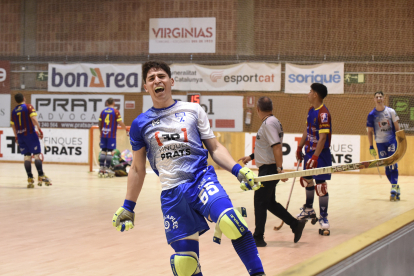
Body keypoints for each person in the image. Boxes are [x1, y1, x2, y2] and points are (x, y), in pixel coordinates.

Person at [112, 61, 266, 276]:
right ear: (145, 87)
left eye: (162, 76)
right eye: (151, 78)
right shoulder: (140, 124)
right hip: (172, 194)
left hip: (200, 181)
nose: (157, 80)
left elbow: (215, 147)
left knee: (231, 222)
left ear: (171, 81)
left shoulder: (193, 110)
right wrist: (128, 206)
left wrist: (237, 169)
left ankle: (258, 273)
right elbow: (137, 169)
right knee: (185, 264)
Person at [238, 96, 307, 247]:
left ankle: (258, 237)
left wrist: (279, 169)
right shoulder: (272, 121)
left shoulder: (268, 124)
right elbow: (268, 147)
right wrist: (251, 156)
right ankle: (295, 224)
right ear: (272, 108)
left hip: (269, 169)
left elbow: (276, 147)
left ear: (257, 110)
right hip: (269, 168)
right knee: (269, 202)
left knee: (260, 201)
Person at [295, 83, 332, 236]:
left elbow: (323, 138)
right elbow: (307, 129)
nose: (308, 94)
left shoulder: (323, 113)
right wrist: (299, 146)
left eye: (310, 91)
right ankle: (309, 209)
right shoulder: (311, 110)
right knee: (307, 180)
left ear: (316, 94)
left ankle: (323, 217)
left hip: (320, 154)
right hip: (309, 152)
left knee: (321, 186)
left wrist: (316, 157)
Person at [10, 93, 51, 188]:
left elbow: (13, 126)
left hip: (20, 136)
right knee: (36, 155)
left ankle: (30, 178)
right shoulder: (28, 106)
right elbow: (33, 118)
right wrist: (39, 129)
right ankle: (41, 175)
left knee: (27, 157)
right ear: (24, 98)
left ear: (16, 101)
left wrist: (16, 137)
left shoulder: (13, 111)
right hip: (30, 134)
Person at [366, 91, 400, 201]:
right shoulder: (371, 115)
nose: (379, 98)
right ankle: (396, 186)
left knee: (393, 164)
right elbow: (370, 132)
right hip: (380, 143)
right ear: (374, 99)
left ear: (384, 98)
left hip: (391, 141)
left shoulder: (391, 111)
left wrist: (400, 141)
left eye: (381, 96)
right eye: (377, 97)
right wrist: (371, 146)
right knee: (386, 168)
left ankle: (393, 187)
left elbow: (397, 127)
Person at [98, 98, 128, 178]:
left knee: (103, 151)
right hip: (111, 135)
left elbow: (100, 123)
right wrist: (126, 129)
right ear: (114, 103)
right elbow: (120, 122)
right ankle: (107, 168)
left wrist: (101, 132)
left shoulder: (103, 112)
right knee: (110, 151)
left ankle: (101, 168)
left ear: (107, 103)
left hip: (103, 134)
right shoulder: (116, 112)